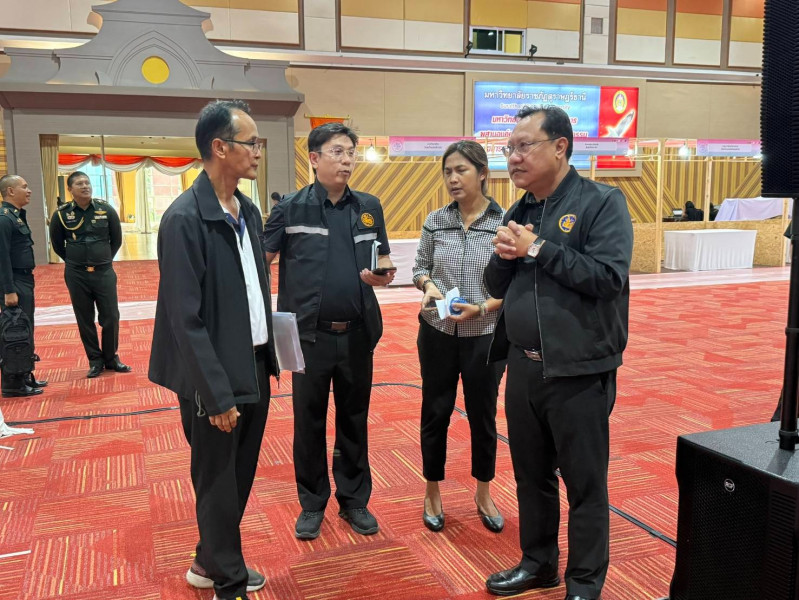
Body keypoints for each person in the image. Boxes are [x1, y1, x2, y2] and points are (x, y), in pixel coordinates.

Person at [483, 105, 633, 600]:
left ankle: (584, 582)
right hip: (522, 367)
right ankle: (538, 562)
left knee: (584, 484)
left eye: (524, 146)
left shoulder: (601, 203)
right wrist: (505, 254)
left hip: (578, 372)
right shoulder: (519, 211)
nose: (513, 157)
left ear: (561, 147)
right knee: (531, 477)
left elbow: (607, 278)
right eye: (509, 148)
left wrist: (537, 248)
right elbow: (494, 285)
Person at [149, 99, 279, 600]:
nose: (258, 152)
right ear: (220, 147)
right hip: (213, 374)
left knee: (238, 474)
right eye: (251, 143)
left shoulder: (247, 209)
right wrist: (216, 393)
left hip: (252, 361)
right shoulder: (184, 218)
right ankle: (228, 580)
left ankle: (209, 560)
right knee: (217, 478)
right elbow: (184, 319)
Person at [263, 122, 395, 540]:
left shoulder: (369, 206)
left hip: (357, 333)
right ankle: (312, 502)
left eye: (351, 152)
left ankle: (354, 500)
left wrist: (384, 276)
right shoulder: (290, 209)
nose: (347, 160)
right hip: (308, 338)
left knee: (354, 420)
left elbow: (384, 259)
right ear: (315, 158)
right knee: (309, 422)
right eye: (338, 152)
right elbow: (261, 261)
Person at [412, 140, 505, 533]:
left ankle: (484, 491)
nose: (452, 178)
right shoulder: (435, 220)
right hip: (437, 332)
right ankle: (432, 490)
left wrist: (481, 308)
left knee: (483, 415)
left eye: (461, 170)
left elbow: (513, 285)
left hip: (485, 334)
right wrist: (428, 285)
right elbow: (420, 267)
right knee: (435, 412)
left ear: (482, 173)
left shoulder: (504, 223)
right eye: (447, 171)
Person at [49, 171, 130, 378]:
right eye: (79, 184)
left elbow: (116, 240)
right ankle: (95, 360)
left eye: (87, 182)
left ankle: (111, 358)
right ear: (70, 189)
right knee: (84, 318)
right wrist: (75, 260)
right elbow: (57, 245)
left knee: (111, 316)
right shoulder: (61, 214)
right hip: (77, 274)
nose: (85, 186)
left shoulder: (106, 210)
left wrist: (102, 258)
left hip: (103, 272)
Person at [0, 175, 46, 397]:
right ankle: (12, 383)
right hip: (15, 282)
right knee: (14, 331)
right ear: (10, 191)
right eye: (24, 187)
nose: (29, 191)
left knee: (24, 329)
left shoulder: (16, 216)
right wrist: (9, 290)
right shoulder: (4, 219)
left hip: (24, 280)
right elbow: (2, 258)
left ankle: (24, 373)